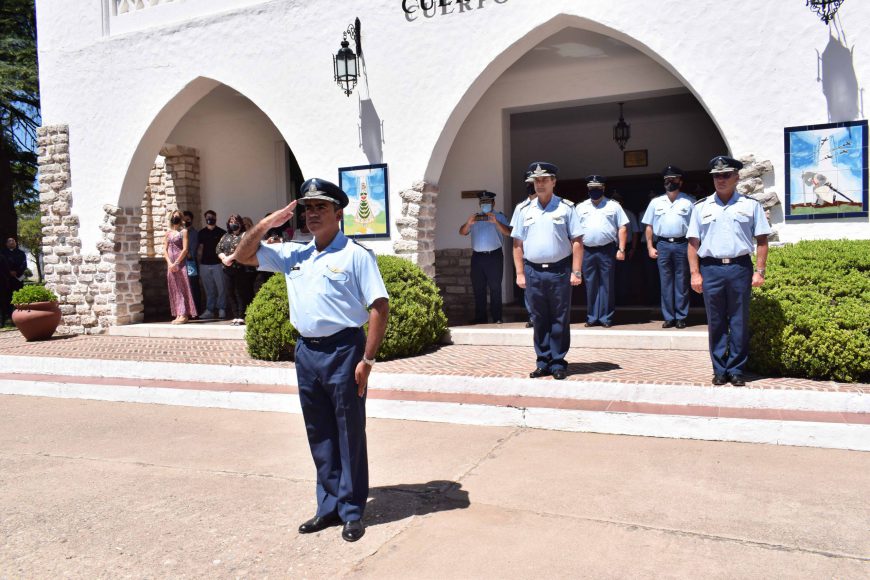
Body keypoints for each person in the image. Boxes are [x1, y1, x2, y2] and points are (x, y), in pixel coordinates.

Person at [232, 177, 389, 543]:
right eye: (307, 208)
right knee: (319, 433)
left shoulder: (355, 255)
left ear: (338, 212)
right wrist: (269, 222)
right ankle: (328, 506)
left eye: (320, 207)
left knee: (348, 432)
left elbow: (379, 307)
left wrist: (368, 359)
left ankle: (352, 511)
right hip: (307, 352)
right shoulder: (293, 253)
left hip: (344, 350)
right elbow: (242, 255)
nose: (312, 214)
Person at [687, 156, 771, 386]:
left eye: (725, 175)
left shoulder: (751, 205)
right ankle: (719, 369)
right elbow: (693, 243)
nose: (720, 179)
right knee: (715, 321)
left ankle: (736, 369)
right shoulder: (701, 207)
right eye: (716, 176)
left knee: (739, 320)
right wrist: (695, 273)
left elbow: (762, 241)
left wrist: (760, 271)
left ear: (736, 177)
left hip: (739, 267)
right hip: (711, 268)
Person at [512, 162, 583, 380]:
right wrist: (520, 273)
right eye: (536, 180)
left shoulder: (566, 208)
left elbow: (577, 241)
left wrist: (576, 271)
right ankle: (542, 361)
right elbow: (517, 243)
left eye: (544, 179)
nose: (540, 184)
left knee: (559, 317)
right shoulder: (523, 209)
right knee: (539, 317)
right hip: (533, 271)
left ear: (553, 181)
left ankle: (558, 362)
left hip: (559, 270)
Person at [642, 166, 695, 329]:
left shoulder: (690, 201)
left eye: (673, 179)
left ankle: (681, 316)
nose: (670, 182)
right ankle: (669, 317)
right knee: (665, 282)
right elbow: (649, 226)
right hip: (663, 244)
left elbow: (696, 227)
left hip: (682, 244)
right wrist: (650, 247)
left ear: (681, 181)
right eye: (667, 180)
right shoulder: (655, 202)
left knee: (681, 281)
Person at [575, 175, 628, 328]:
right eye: (591, 188)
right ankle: (592, 317)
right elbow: (574, 231)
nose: (594, 191)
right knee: (591, 284)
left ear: (603, 188)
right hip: (587, 251)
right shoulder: (580, 207)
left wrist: (622, 249)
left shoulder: (614, 206)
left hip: (607, 250)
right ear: (588, 189)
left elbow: (622, 227)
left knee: (607, 284)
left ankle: (606, 317)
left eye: (597, 188)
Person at [459, 191, 511, 324]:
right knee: (478, 287)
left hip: (494, 256)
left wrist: (495, 222)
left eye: (487, 202)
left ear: (493, 203)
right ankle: (480, 317)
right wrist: (468, 223)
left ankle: (497, 317)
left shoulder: (499, 217)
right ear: (479, 204)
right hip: (477, 258)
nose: (485, 205)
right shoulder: (475, 218)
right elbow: (462, 232)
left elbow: (508, 232)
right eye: (483, 203)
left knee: (495, 287)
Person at [218, 214, 257, 326]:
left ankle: (241, 316)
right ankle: (235, 315)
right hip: (227, 268)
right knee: (230, 292)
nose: (233, 223)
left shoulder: (245, 235)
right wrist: (223, 258)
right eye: (231, 221)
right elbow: (218, 248)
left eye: (235, 221)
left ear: (240, 223)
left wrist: (231, 257)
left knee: (240, 292)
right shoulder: (226, 235)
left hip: (241, 269)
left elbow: (243, 249)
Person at [510, 173, 537, 328]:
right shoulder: (521, 208)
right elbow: (517, 238)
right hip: (528, 257)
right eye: (529, 184)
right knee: (529, 290)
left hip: (550, 259)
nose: (532, 187)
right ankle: (533, 316)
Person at [163, 210, 198, 324]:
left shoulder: (184, 231)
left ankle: (184, 313)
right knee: (174, 289)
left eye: (177, 217)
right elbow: (164, 249)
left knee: (183, 287)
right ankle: (178, 313)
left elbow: (185, 249)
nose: (175, 218)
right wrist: (169, 263)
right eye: (173, 217)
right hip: (171, 265)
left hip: (180, 264)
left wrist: (176, 263)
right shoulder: (168, 233)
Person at [198, 210, 227, 320]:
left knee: (221, 288)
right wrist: (199, 262)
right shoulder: (201, 233)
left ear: (216, 217)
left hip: (218, 264)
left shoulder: (221, 232)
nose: (210, 219)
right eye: (208, 217)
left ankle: (222, 309)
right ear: (205, 218)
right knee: (209, 289)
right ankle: (209, 310)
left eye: (212, 217)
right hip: (204, 265)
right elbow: (200, 249)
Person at [182, 211, 202, 317]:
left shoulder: (194, 233)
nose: (185, 222)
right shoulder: (180, 232)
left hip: (191, 264)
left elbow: (192, 252)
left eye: (188, 220)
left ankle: (196, 311)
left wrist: (185, 253)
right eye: (184, 220)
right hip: (181, 264)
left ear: (192, 220)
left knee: (193, 287)